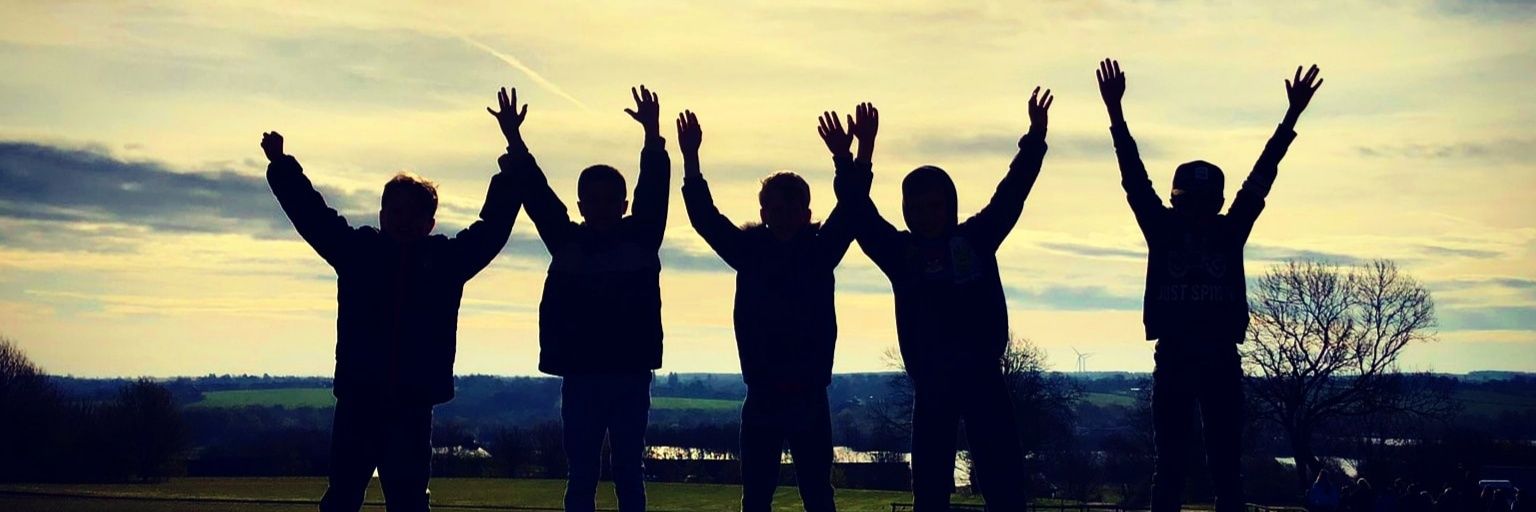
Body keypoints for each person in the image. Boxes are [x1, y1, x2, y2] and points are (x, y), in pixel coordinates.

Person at [261, 85, 526, 512]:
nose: (401, 221)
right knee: (344, 495)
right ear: (382, 216)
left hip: (411, 404)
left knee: (406, 500)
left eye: (412, 213)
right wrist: (282, 166)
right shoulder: (359, 251)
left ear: (429, 221)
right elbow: (312, 215)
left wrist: (513, 158)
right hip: (359, 399)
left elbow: (491, 229)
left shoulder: (443, 261)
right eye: (394, 211)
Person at [1095, 58, 1324, 512]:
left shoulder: (1224, 230)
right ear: (1179, 201)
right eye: (1191, 202)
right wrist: (1116, 117)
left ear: (1216, 203)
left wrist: (1291, 119)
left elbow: (1260, 179)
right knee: (1176, 470)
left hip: (1216, 357)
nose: (1199, 211)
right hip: (1179, 355)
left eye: (1206, 203)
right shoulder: (1170, 228)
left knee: (1222, 470)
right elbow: (1134, 180)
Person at [844, 87, 1053, 512]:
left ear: (950, 206)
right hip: (932, 385)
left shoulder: (975, 241)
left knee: (1006, 488)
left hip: (984, 380)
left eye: (934, 206)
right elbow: (859, 215)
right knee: (931, 495)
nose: (925, 216)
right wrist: (855, 156)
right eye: (916, 208)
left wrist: (1034, 137)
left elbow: (1011, 194)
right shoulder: (901, 255)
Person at [677, 104, 875, 512]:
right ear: (763, 213)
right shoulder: (749, 252)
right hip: (763, 393)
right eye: (775, 210)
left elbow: (853, 207)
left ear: (806, 214)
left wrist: (854, 154)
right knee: (757, 498)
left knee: (818, 496)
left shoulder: (821, 252)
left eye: (792, 210)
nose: (783, 218)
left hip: (808, 394)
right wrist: (691, 159)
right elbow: (704, 218)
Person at [509, 85, 671, 512]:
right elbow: (539, 197)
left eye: (608, 200)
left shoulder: (641, 238)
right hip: (582, 375)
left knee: (627, 472)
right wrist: (515, 141)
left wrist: (653, 136)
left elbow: (654, 193)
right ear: (580, 205)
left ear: (624, 203)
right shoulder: (567, 242)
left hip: (627, 374)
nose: (600, 207)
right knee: (581, 472)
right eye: (592, 200)